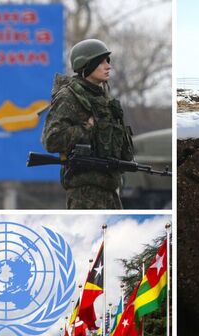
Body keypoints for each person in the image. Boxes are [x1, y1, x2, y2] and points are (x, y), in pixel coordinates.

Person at [41, 39, 135, 210]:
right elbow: (51, 139)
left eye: (108, 61)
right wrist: (86, 129)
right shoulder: (69, 97)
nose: (108, 66)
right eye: (101, 62)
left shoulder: (103, 99)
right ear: (86, 64)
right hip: (84, 195)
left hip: (110, 190)